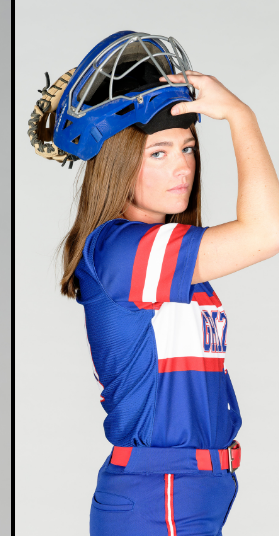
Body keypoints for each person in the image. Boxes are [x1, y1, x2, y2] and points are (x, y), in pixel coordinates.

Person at [29, 31, 279, 535]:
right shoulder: (119, 249)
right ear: (120, 162)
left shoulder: (163, 254)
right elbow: (266, 232)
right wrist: (241, 115)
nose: (182, 166)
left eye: (186, 148)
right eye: (158, 153)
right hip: (159, 494)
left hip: (188, 492)